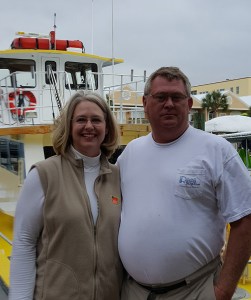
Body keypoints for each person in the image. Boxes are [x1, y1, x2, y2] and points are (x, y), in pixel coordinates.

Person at [117, 67, 251, 300]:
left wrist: (223, 291)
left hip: (196, 290)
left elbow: (245, 220)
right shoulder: (130, 154)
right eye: (160, 97)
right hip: (134, 292)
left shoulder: (216, 150)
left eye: (176, 97)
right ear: (145, 103)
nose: (169, 103)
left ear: (188, 104)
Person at [9, 91, 124, 300]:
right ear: (70, 127)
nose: (89, 126)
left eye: (96, 120)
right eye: (81, 119)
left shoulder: (117, 176)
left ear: (107, 128)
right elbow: (24, 243)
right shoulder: (43, 175)